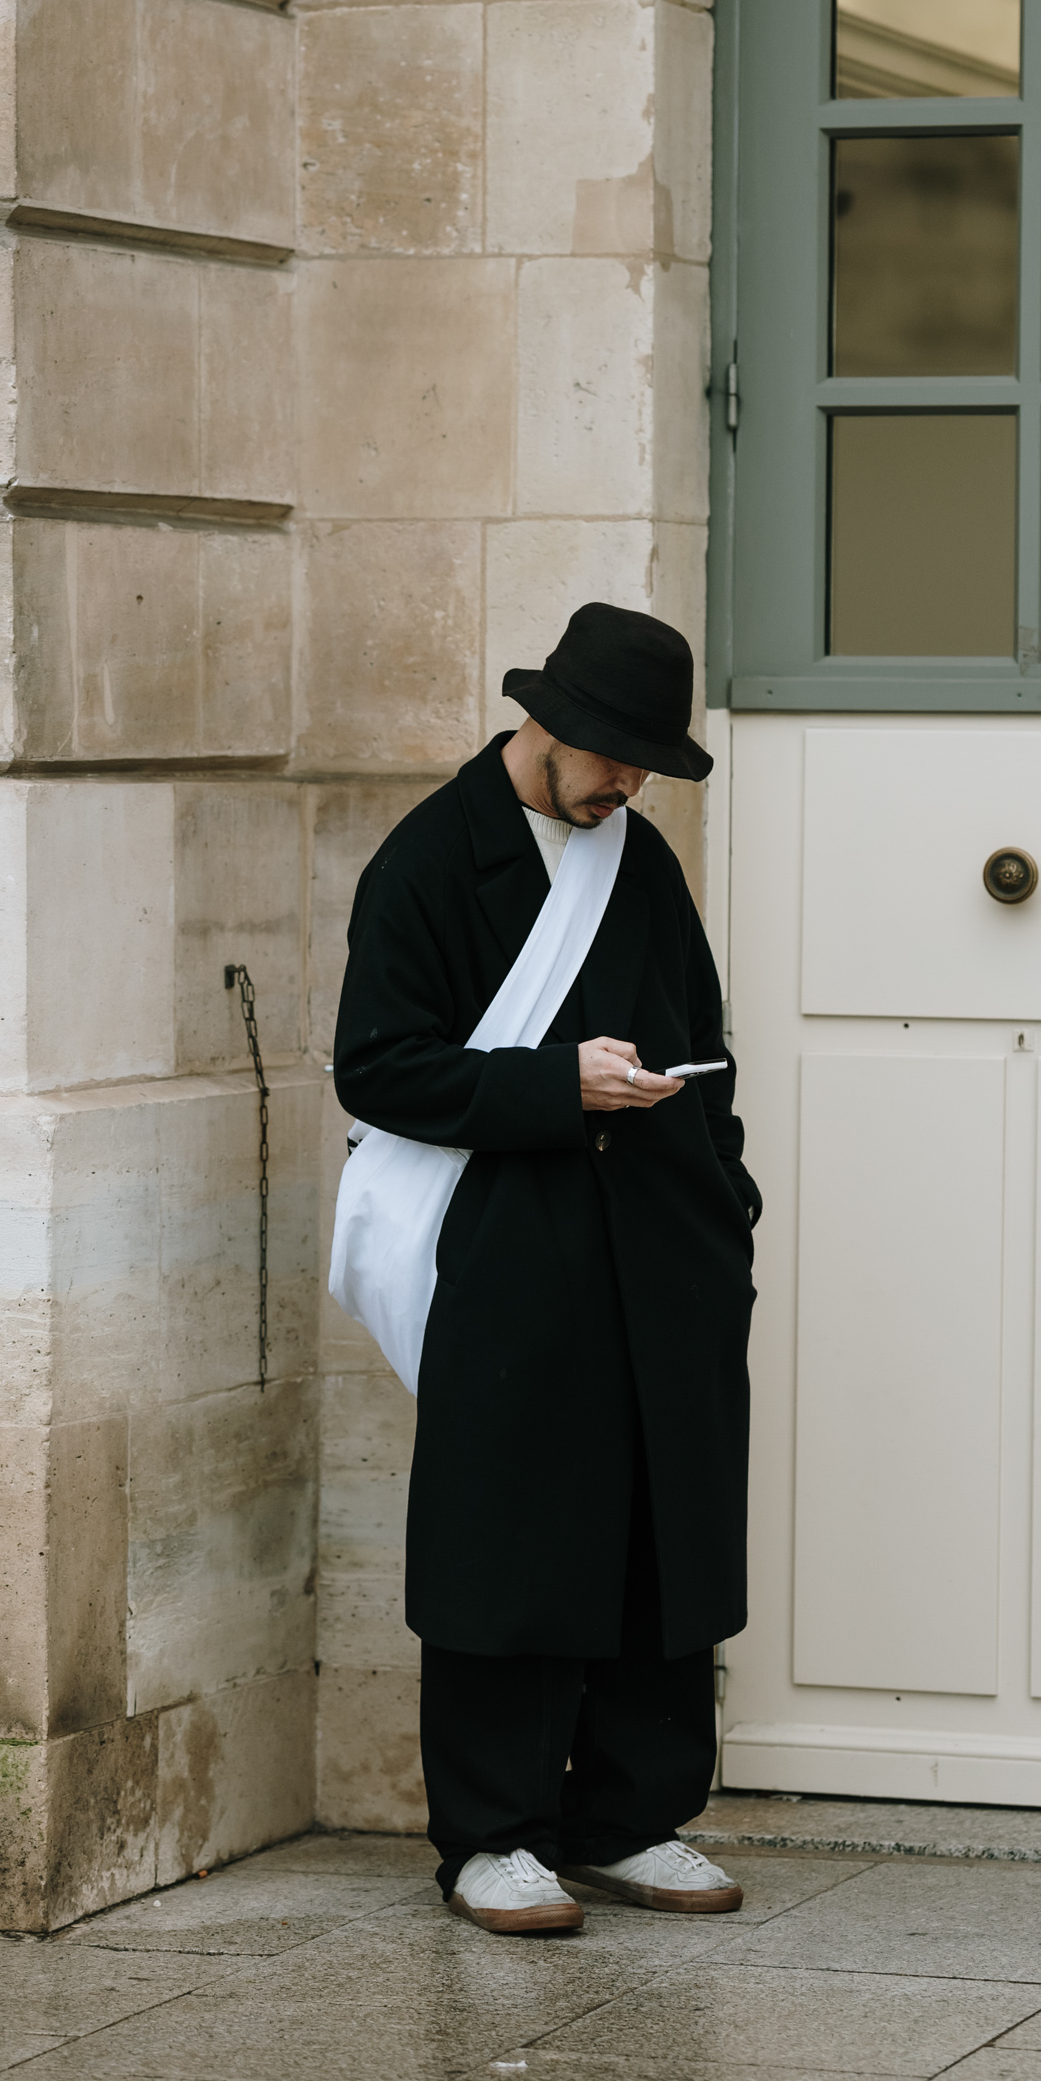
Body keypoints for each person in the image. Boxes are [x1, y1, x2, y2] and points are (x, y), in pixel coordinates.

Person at [332, 603, 761, 1935]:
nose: (630, 784)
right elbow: (378, 1068)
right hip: (512, 1246)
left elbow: (706, 1040)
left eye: (646, 763)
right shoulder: (428, 860)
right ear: (552, 725)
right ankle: (493, 1837)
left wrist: (727, 1211)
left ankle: (633, 1816)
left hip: (660, 1247)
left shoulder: (638, 866)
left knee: (660, 1535)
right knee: (506, 1539)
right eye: (617, 757)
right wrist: (552, 1085)